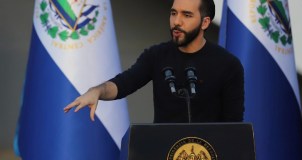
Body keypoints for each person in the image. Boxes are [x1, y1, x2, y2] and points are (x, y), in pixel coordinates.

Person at [64, 0, 244, 123]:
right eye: (174, 13)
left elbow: (234, 127)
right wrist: (97, 91)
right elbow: (124, 84)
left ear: (205, 23)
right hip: (164, 149)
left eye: (186, 15)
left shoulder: (228, 65)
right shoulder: (157, 55)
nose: (176, 21)